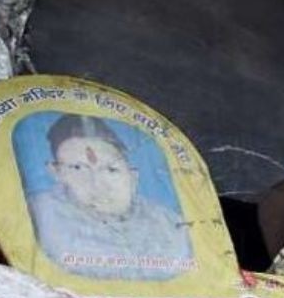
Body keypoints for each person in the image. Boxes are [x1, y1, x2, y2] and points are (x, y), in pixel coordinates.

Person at [23, 113, 193, 280]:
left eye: (111, 170)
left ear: (133, 177)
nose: (97, 183)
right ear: (56, 173)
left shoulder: (170, 225)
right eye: (78, 168)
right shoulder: (39, 215)